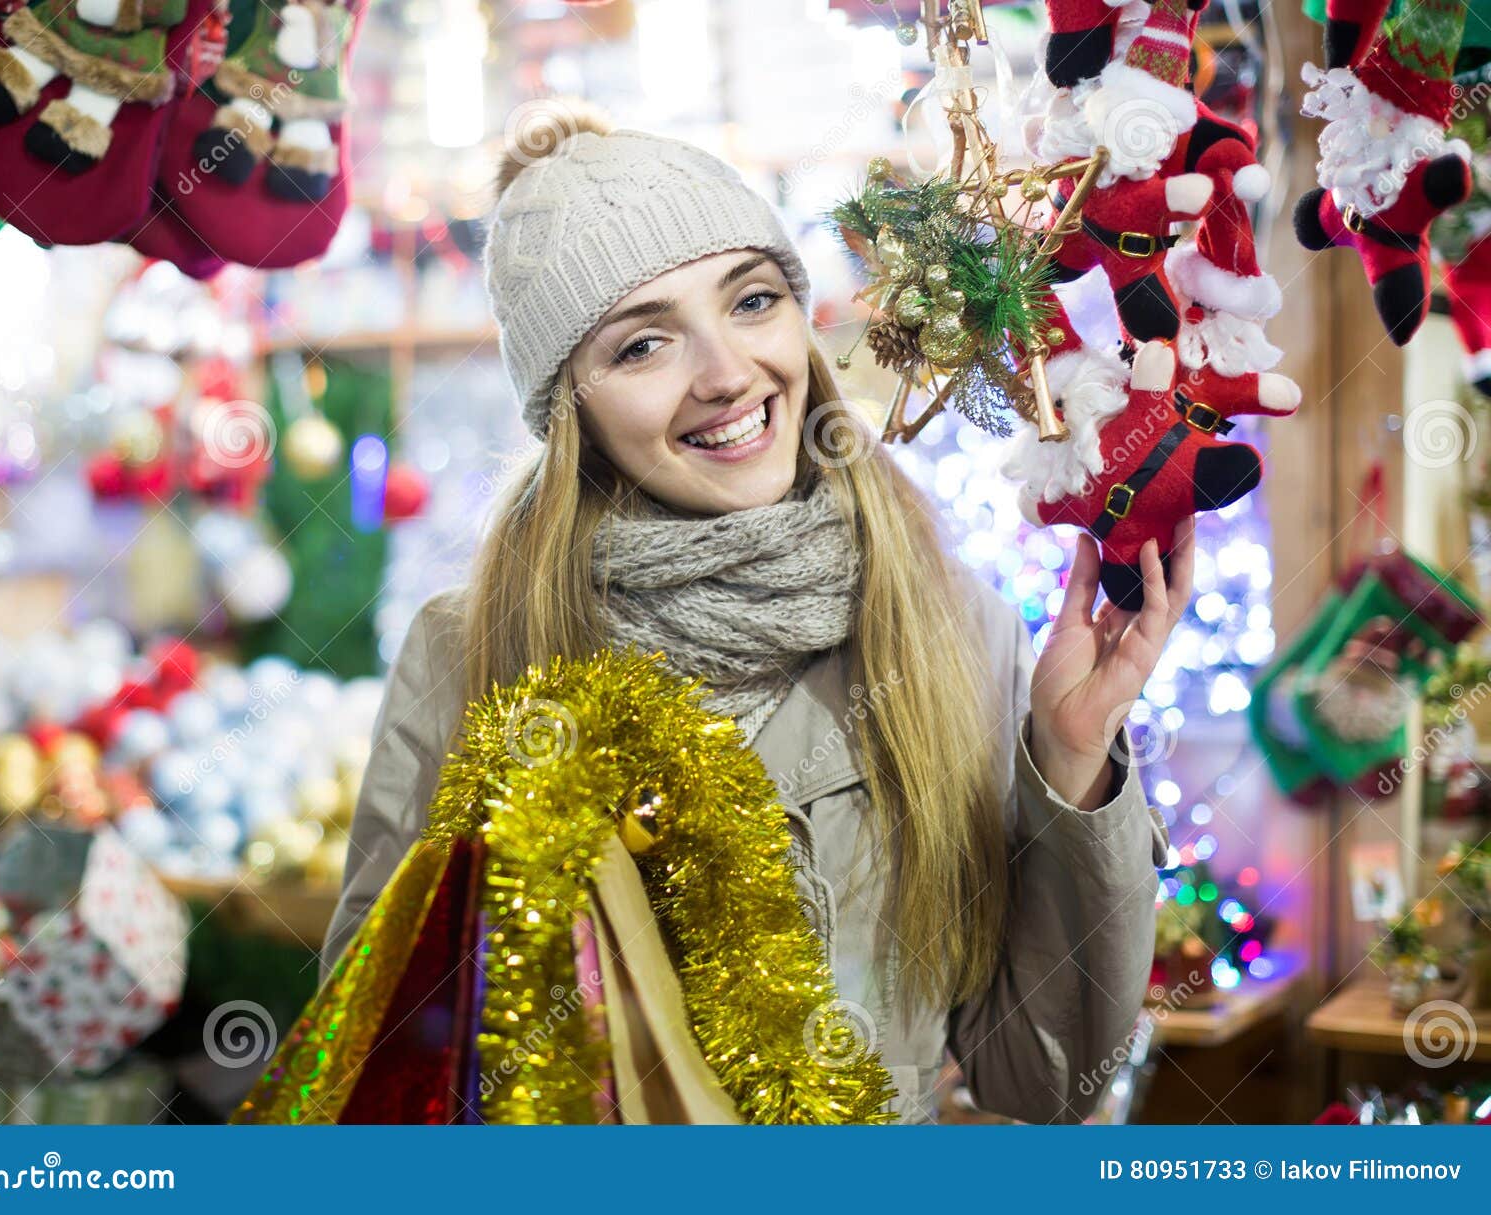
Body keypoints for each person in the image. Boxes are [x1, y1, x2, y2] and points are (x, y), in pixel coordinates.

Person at [322, 98, 1182, 1124]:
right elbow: (379, 1067)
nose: (728, 374)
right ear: (570, 408)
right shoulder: (470, 650)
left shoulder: (950, 626)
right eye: (641, 348)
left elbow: (1037, 1079)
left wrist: (1074, 759)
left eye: (751, 300)